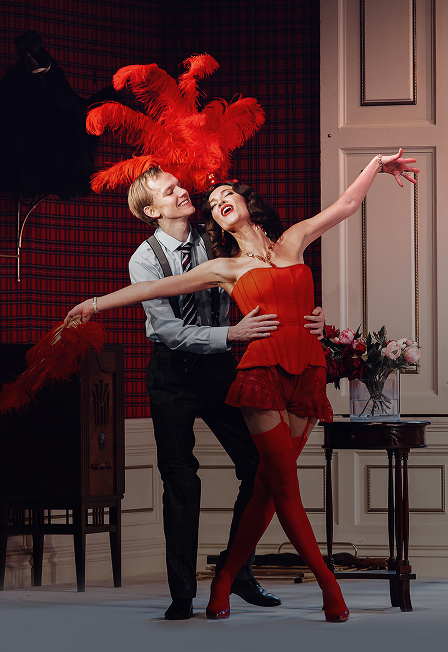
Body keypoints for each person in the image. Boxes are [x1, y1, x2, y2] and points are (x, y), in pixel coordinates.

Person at [65, 148, 419, 622]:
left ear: (247, 201)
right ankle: (320, 586)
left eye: (225, 195)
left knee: (265, 481)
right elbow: (151, 295)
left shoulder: (287, 239)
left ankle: (229, 577)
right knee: (248, 483)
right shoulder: (214, 264)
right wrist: (93, 303)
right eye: (210, 202)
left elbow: (346, 206)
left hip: (299, 372)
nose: (210, 199)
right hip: (224, 372)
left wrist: (375, 164)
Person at [116, 166, 326, 620]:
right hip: (172, 373)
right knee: (179, 479)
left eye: (179, 184)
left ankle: (237, 573)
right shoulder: (143, 260)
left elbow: (272, 274)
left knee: (258, 468)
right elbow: (167, 330)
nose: (183, 191)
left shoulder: (217, 238)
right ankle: (181, 594)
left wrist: (308, 315)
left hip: (220, 369)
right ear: (152, 211)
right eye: (170, 190)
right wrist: (230, 334)